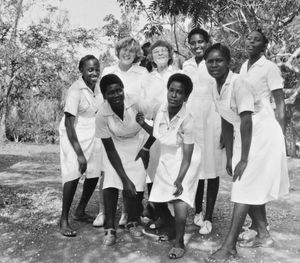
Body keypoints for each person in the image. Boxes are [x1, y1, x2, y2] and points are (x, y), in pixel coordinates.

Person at [204, 43, 289, 262]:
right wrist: (232, 156)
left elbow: (247, 121)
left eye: (219, 60)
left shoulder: (238, 83)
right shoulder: (215, 86)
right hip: (245, 135)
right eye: (210, 61)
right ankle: (263, 234)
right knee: (247, 184)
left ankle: (229, 246)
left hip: (261, 133)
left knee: (244, 185)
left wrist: (243, 159)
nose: (214, 65)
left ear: (228, 62)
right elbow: (224, 120)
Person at [137, 73, 197, 259]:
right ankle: (172, 229)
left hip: (186, 160)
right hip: (166, 157)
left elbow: (187, 155)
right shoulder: (162, 109)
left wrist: (180, 179)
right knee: (157, 199)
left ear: (186, 97)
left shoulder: (188, 118)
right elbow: (157, 134)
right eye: (171, 90)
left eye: (179, 92)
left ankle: (179, 242)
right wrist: (143, 128)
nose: (174, 95)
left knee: (179, 198)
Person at [238, 29, 286, 240]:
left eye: (257, 40)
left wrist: (281, 135)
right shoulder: (242, 67)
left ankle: (264, 234)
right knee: (251, 180)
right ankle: (260, 226)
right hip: (247, 128)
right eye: (249, 38)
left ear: (264, 46)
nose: (251, 41)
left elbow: (281, 102)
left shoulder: (270, 67)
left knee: (248, 180)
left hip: (265, 128)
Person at [95, 37, 148, 227]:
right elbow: (103, 99)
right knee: (108, 172)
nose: (127, 53)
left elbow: (145, 102)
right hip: (113, 126)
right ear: (118, 51)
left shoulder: (142, 72)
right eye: (124, 50)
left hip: (134, 127)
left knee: (134, 174)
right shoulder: (109, 71)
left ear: (136, 55)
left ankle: (128, 214)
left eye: (132, 51)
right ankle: (103, 212)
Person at [95, 74, 153, 246]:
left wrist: (145, 148)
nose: (116, 95)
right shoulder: (102, 114)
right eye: (111, 93)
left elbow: (157, 126)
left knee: (138, 183)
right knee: (111, 182)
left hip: (137, 142)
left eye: (118, 90)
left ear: (123, 89)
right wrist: (124, 179)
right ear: (105, 95)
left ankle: (132, 221)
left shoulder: (136, 102)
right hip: (115, 145)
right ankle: (110, 228)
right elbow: (110, 150)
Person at [183, 28, 225, 235]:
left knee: (213, 170)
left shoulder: (215, 63)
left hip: (213, 122)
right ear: (189, 44)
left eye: (201, 42)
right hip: (193, 123)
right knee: (197, 168)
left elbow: (224, 96)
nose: (197, 45)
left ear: (207, 42)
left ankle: (209, 217)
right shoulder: (186, 65)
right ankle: (197, 211)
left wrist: (225, 129)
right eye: (193, 42)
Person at [59, 55, 102, 237]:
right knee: (73, 173)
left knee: (94, 172)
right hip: (73, 133)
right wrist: (79, 154)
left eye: (96, 69)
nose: (94, 73)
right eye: (90, 69)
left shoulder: (99, 88)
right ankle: (63, 219)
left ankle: (80, 210)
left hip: (93, 131)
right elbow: (69, 123)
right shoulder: (75, 90)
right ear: (82, 71)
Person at [140, 40, 177, 224]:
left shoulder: (177, 73)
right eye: (156, 52)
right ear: (151, 57)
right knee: (153, 168)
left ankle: (171, 213)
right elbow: (146, 105)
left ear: (170, 54)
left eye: (164, 51)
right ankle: (157, 210)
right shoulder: (148, 78)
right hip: (154, 126)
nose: (160, 54)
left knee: (170, 167)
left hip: (173, 127)